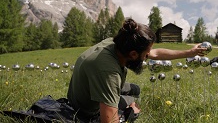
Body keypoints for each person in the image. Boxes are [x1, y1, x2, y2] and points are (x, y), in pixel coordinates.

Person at [67, 18, 207, 122]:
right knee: (131, 108)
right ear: (133, 54)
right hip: (85, 111)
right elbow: (109, 122)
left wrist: (190, 52)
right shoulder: (109, 73)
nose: (148, 57)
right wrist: (129, 114)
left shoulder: (118, 43)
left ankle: (128, 101)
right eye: (146, 55)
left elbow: (157, 54)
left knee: (135, 90)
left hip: (87, 91)